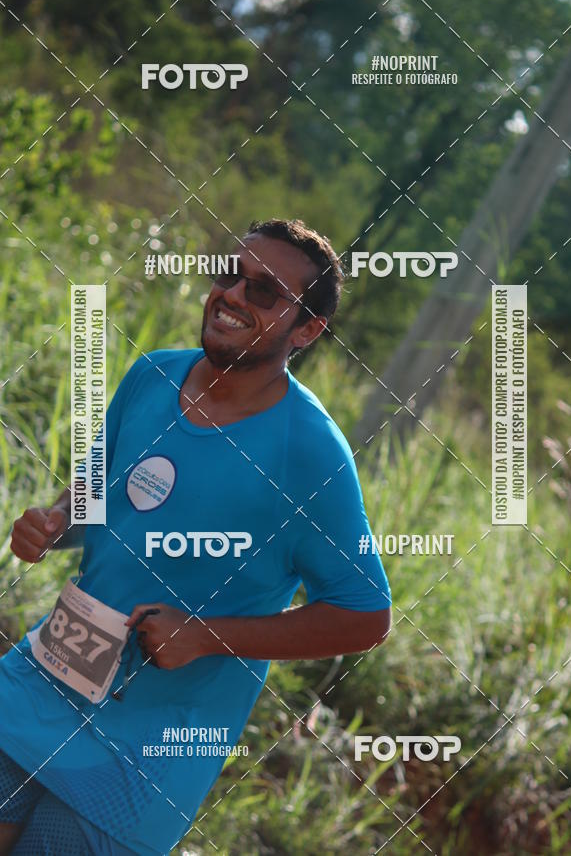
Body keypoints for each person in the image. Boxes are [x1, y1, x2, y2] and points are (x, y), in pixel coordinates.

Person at [0, 218, 392, 855]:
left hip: (144, 753)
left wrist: (206, 636)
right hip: (43, 680)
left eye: (264, 292)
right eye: (230, 275)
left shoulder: (312, 454)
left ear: (308, 329)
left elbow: (366, 616)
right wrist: (53, 523)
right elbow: (101, 495)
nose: (234, 295)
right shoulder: (151, 376)